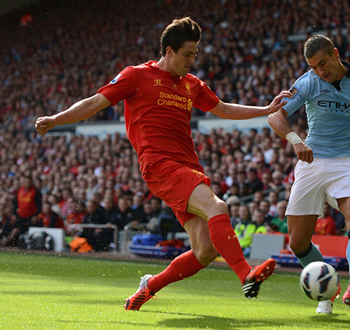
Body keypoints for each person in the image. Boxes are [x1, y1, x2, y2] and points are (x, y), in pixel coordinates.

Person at [35, 17, 288, 310]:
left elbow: (223, 109)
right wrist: (55, 120)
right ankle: (246, 273)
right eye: (187, 54)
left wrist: (266, 109)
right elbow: (94, 102)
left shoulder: (192, 84)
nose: (192, 60)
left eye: (195, 54)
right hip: (159, 165)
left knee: (204, 251)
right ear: (169, 51)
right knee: (218, 206)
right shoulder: (135, 76)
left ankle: (148, 287)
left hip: (188, 168)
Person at [267, 35, 350, 314]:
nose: (320, 71)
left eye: (323, 64)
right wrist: (296, 140)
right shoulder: (308, 82)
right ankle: (327, 291)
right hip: (312, 161)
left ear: (335, 53)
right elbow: (274, 116)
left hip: (349, 160)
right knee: (297, 241)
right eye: (313, 66)